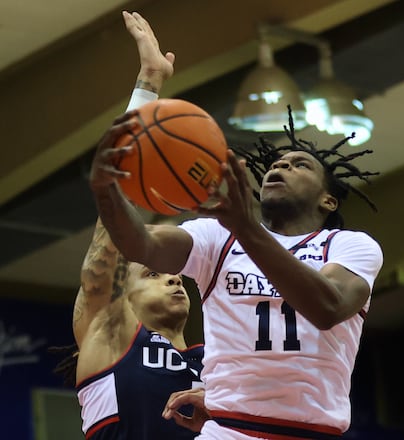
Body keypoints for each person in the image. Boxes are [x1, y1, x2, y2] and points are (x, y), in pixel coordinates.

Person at [89, 12, 384, 439]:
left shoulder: (350, 246)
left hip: (313, 431)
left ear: (328, 198)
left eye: (299, 164)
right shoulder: (216, 237)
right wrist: (108, 188)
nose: (281, 165)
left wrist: (249, 230)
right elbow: (142, 247)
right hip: (228, 430)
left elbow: (327, 307)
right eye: (276, 163)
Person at [51, 12, 207, 439]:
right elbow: (111, 234)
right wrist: (149, 84)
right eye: (154, 274)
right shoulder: (112, 334)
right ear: (126, 295)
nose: (175, 282)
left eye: (176, 276)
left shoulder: (214, 361)